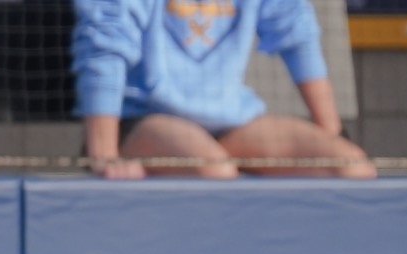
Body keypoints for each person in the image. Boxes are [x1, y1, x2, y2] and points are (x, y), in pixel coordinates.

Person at [72, 0, 375, 178]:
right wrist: (105, 157)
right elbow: (104, 48)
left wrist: (331, 133)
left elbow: (297, 33)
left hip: (231, 122)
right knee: (214, 171)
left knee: (352, 168)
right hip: (142, 120)